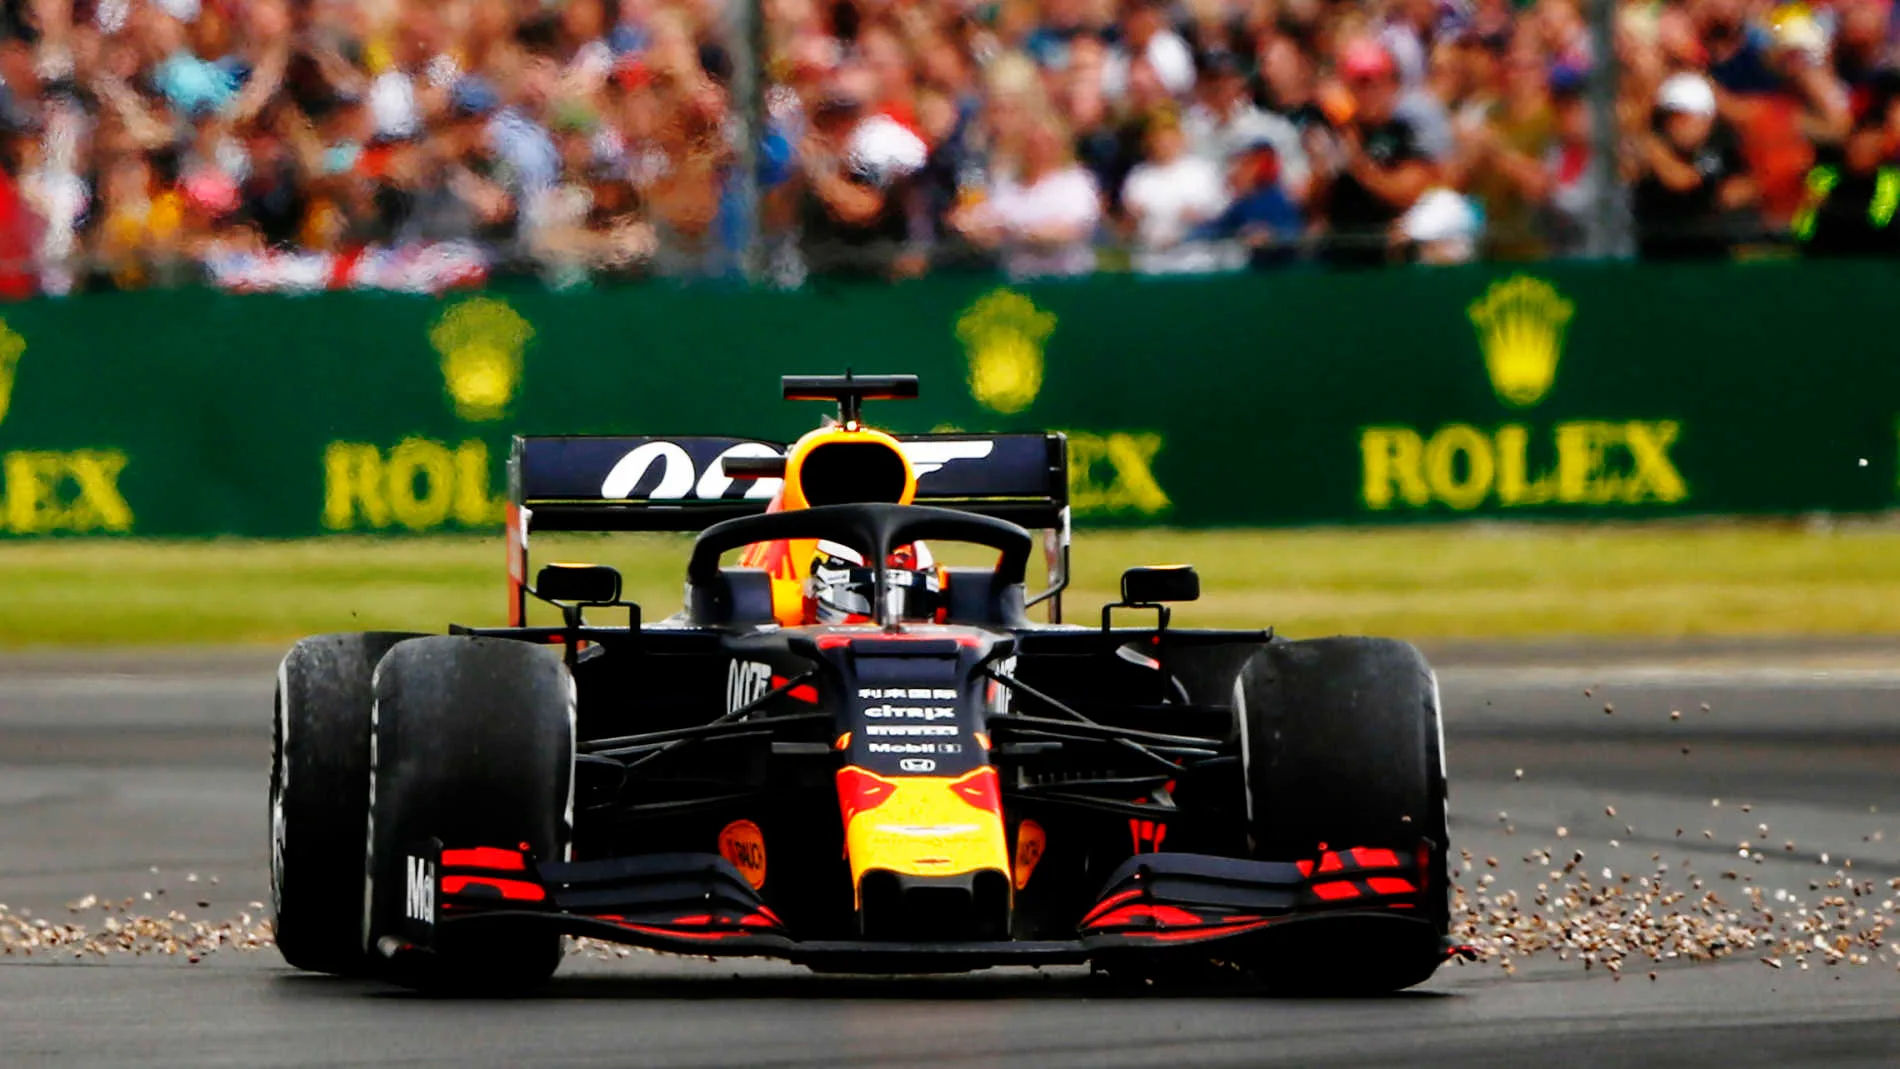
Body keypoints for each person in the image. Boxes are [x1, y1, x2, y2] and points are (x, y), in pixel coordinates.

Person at [1310, 38, 1437, 266]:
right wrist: (1322, 172)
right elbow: (1312, 202)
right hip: (1337, 252)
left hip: (1387, 254)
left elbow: (1411, 191)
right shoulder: (1339, 131)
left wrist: (1360, 165)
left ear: (1391, 85)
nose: (1368, 93)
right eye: (1360, 84)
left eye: (1375, 83)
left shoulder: (1404, 133)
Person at [951, 110, 1102, 279]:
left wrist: (1015, 231)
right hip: (1016, 281)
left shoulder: (1076, 183)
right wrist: (971, 226)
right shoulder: (1007, 182)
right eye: (1032, 143)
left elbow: (1070, 230)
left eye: (1047, 143)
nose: (1039, 149)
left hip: (1064, 282)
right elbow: (982, 222)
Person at [1631, 71, 1756, 260]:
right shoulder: (1654, 148)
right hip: (1655, 257)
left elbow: (1684, 181)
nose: (1676, 125)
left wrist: (1650, 147)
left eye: (1685, 117)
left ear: (1706, 119)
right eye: (1670, 117)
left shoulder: (1719, 148)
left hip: (1707, 257)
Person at [1120, 107, 1229, 274]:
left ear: (1180, 139)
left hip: (1195, 262)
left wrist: (1199, 216)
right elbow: (1127, 228)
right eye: (1158, 139)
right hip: (1152, 263)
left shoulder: (1202, 173)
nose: (1164, 144)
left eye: (1169, 138)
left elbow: (1222, 214)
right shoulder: (1139, 178)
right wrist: (1132, 216)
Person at [1793, 107, 1900, 257]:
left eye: (1870, 148)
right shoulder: (1823, 177)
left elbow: (1880, 224)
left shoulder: (1891, 180)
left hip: (1875, 263)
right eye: (1857, 147)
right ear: (1847, 146)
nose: (1862, 153)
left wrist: (1829, 209)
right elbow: (1805, 231)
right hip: (1824, 262)